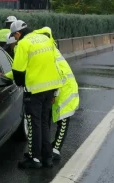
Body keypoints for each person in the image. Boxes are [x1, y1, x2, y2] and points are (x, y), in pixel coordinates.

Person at [5, 20, 64, 169]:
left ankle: (34, 158)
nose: (15, 39)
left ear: (18, 34)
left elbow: (18, 71)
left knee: (34, 124)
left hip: (35, 90)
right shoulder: (45, 38)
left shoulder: (23, 44)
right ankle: (47, 157)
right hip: (51, 87)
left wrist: (19, 84)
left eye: (14, 36)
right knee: (44, 122)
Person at [31, 27, 80, 161]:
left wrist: (54, 94)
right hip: (59, 89)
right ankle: (51, 147)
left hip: (65, 90)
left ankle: (56, 149)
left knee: (62, 120)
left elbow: (59, 75)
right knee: (51, 120)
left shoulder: (50, 52)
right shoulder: (50, 50)